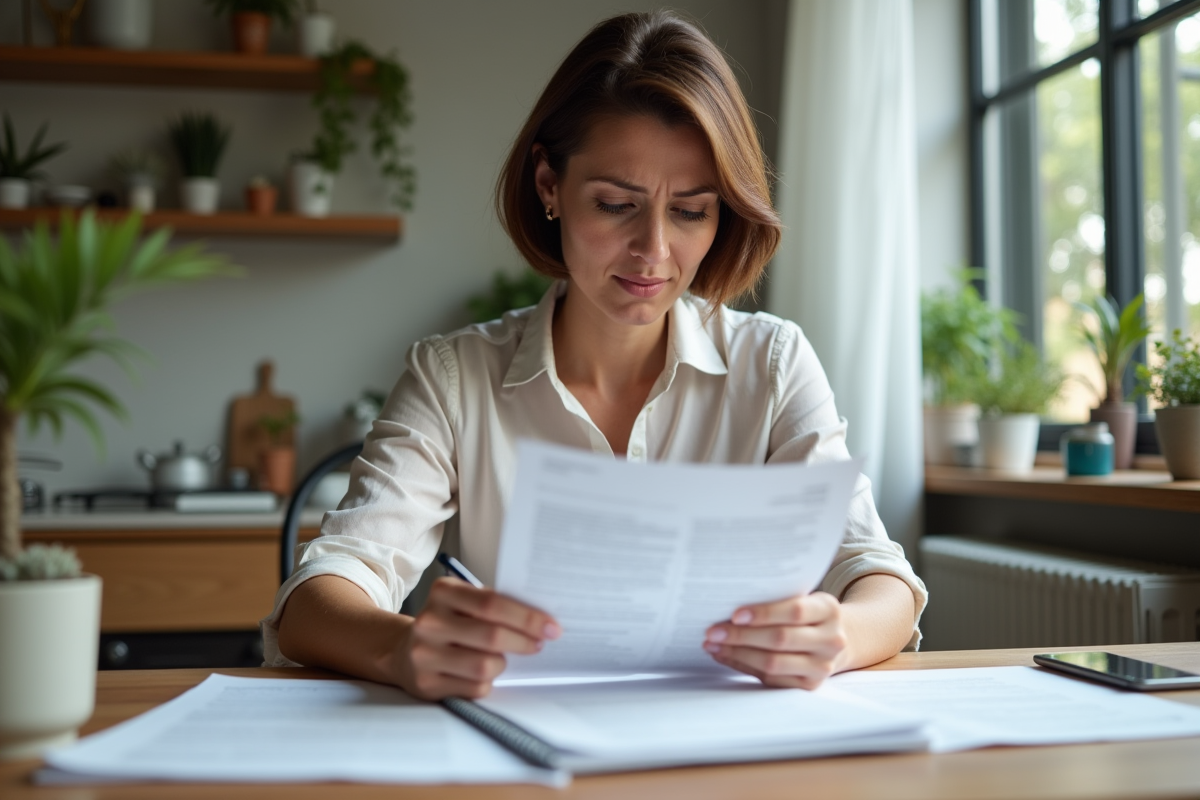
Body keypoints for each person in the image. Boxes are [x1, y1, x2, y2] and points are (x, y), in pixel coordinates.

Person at [269, 10, 927, 700]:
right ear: (549, 185)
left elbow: (877, 574)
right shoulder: (454, 378)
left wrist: (836, 634)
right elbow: (320, 594)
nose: (654, 251)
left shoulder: (774, 364)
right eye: (616, 204)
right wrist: (404, 647)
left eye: (692, 212)